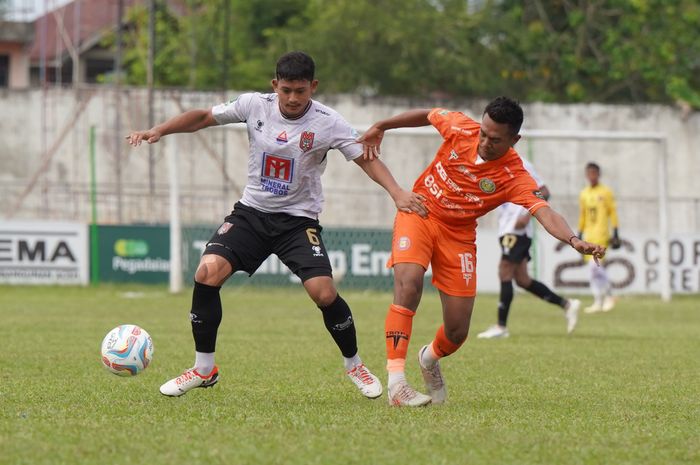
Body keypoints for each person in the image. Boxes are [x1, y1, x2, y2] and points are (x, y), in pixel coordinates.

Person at [126, 51, 427, 399]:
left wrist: (397, 192)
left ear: (313, 86)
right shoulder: (254, 105)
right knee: (207, 272)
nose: (294, 98)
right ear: (275, 86)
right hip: (251, 214)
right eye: (287, 90)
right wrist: (159, 130)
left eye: (301, 90)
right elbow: (205, 117)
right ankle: (203, 369)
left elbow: (365, 159)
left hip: (298, 222)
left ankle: (354, 364)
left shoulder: (329, 122)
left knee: (324, 293)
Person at [358, 97, 606, 406]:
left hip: (458, 236)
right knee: (408, 284)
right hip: (419, 211)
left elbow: (544, 212)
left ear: (515, 139)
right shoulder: (462, 127)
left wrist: (573, 240)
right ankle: (397, 383)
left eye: (495, 139)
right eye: (483, 133)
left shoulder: (515, 175)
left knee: (457, 330)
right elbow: (428, 114)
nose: (485, 142)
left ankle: (429, 359)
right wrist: (382, 126)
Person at [477, 157, 581, 339]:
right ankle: (566, 304)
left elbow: (545, 191)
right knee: (522, 279)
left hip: (517, 230)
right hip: (507, 227)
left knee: (504, 271)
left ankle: (501, 326)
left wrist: (527, 215)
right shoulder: (490, 164)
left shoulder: (522, 163)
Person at [578, 162, 620, 313]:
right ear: (586, 175)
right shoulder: (584, 193)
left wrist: (615, 232)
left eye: (594, 173)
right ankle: (598, 301)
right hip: (589, 235)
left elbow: (612, 212)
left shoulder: (606, 192)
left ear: (598, 174)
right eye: (589, 173)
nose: (592, 176)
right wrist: (579, 233)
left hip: (602, 235)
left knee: (595, 268)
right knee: (592, 271)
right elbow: (582, 214)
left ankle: (609, 295)